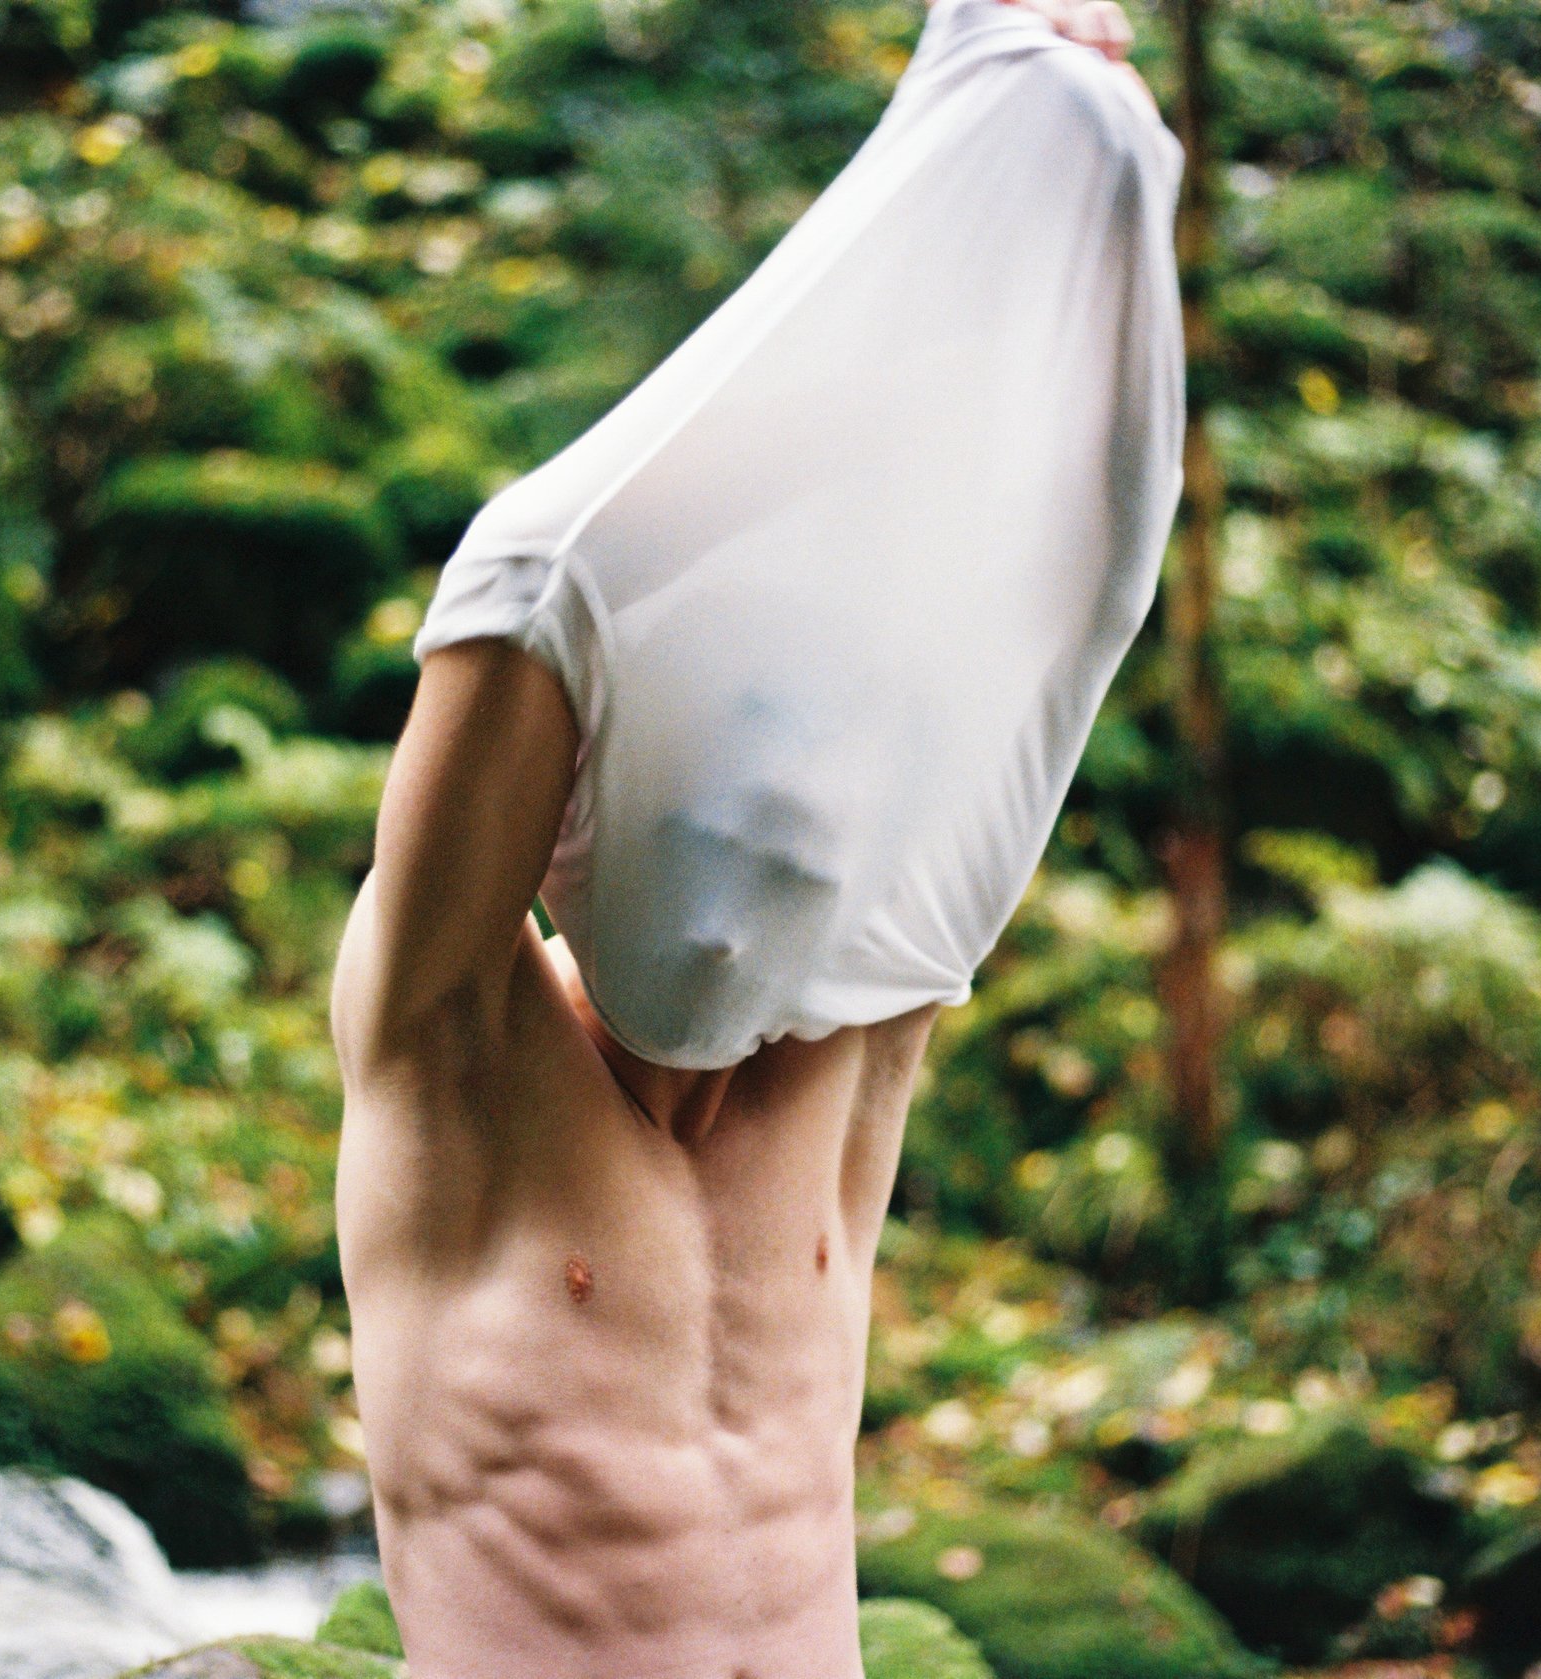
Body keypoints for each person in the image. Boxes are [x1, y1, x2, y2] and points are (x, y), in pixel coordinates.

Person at [330, 0, 1184, 1671]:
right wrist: (947, 102)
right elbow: (524, 582)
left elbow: (1045, 607)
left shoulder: (849, 1064)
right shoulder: (449, 1045)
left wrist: (1044, 135)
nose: (785, 868)